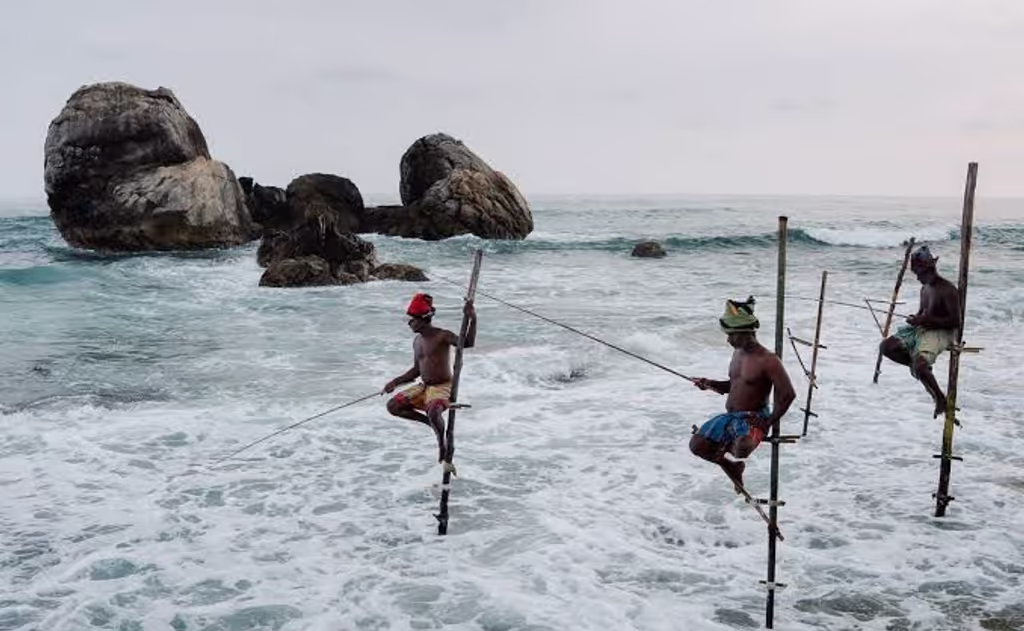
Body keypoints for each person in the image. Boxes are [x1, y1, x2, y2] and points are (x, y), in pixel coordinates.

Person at [689, 297, 795, 489]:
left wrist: (768, 421)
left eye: (732, 335)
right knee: (697, 445)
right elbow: (735, 385)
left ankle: (728, 448)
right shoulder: (737, 353)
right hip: (731, 416)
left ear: (746, 333)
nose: (728, 340)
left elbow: (788, 394)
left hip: (753, 417)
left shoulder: (768, 360)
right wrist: (710, 383)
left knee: (742, 448)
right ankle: (731, 466)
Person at [382, 293, 477, 463]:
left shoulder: (442, 335)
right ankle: (430, 423)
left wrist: (472, 319)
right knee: (393, 406)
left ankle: (442, 443)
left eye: (413, 319)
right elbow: (416, 371)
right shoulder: (417, 341)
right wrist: (395, 382)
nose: (409, 323)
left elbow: (467, 343)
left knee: (434, 410)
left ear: (423, 320)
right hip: (424, 387)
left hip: (442, 386)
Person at [879, 245, 961, 418]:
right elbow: (922, 314)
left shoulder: (947, 289)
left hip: (941, 331)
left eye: (919, 273)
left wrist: (925, 320)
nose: (917, 278)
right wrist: (915, 319)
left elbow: (955, 322)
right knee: (886, 347)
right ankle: (920, 369)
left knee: (920, 364)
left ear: (929, 269)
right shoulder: (924, 289)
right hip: (922, 328)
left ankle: (940, 398)